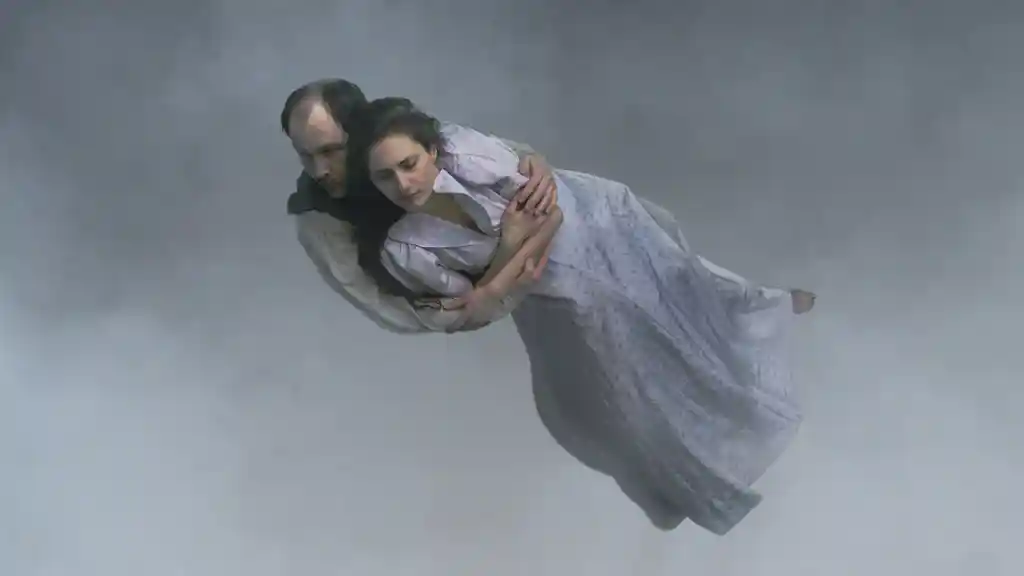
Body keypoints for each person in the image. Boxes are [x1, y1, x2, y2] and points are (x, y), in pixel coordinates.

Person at [343, 96, 816, 536]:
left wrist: (499, 272)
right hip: (556, 293)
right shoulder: (406, 248)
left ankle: (763, 309)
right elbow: (479, 304)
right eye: (385, 177)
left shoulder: (466, 152)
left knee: (683, 289)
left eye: (409, 164)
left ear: (430, 151)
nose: (403, 185)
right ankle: (685, 490)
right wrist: (507, 250)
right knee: (616, 400)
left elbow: (550, 216)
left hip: (595, 224)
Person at [282, 78, 560, 333]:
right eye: (305, 155)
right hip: (523, 291)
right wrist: (493, 291)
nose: (319, 171)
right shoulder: (322, 225)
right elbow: (408, 312)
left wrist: (534, 162)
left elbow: (500, 157)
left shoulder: (401, 139)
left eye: (331, 151)